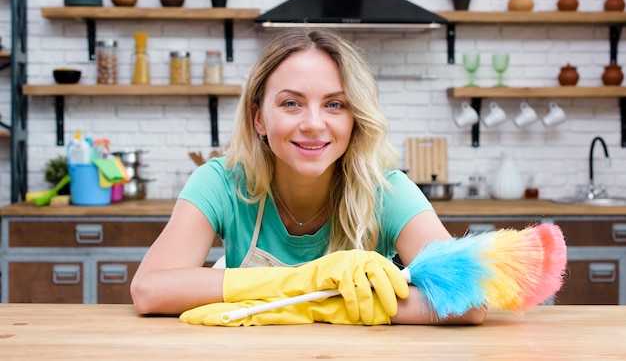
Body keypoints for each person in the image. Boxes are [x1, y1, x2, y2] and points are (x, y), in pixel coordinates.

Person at [131, 28, 486, 326]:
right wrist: (307, 281)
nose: (314, 124)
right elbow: (149, 290)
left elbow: (471, 302)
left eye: (335, 104)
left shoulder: (386, 191)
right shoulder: (221, 183)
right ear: (259, 119)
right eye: (290, 103)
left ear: (355, 118)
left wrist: (321, 304)